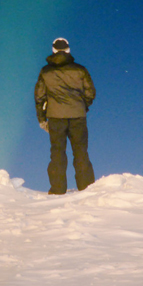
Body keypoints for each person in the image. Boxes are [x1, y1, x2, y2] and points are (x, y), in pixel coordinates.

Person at [34, 38, 96, 195]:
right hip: (77, 116)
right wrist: (82, 106)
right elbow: (90, 93)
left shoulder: (46, 72)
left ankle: (57, 189)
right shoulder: (80, 70)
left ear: (53, 50)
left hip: (55, 117)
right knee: (81, 151)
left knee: (57, 152)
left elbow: (39, 97)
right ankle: (86, 188)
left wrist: (42, 119)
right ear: (68, 50)